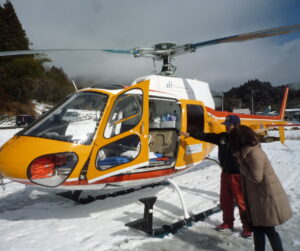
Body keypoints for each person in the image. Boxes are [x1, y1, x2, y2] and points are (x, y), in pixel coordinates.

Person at [180, 115, 252, 238]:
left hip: (238, 175)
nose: (227, 127)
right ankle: (228, 223)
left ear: (236, 125)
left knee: (241, 202)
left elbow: (252, 155)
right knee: (225, 200)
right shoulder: (223, 137)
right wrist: (189, 134)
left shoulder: (242, 139)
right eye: (226, 125)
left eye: (229, 125)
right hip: (225, 173)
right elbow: (206, 136)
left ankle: (247, 227)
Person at [229, 125, 292, 251]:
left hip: (266, 198)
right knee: (258, 229)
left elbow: (256, 177)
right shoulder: (246, 152)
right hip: (258, 198)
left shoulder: (254, 153)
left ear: (239, 139)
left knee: (269, 230)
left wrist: (241, 165)